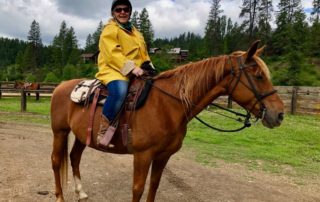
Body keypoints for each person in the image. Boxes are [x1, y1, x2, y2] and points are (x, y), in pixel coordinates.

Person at [95, 0, 154, 148]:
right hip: (113, 69)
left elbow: (144, 54)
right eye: (118, 9)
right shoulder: (110, 30)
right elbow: (112, 54)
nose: (122, 12)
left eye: (126, 9)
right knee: (120, 91)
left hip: (137, 70)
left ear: (129, 12)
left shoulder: (137, 33)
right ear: (113, 13)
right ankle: (103, 131)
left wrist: (149, 66)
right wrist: (131, 68)